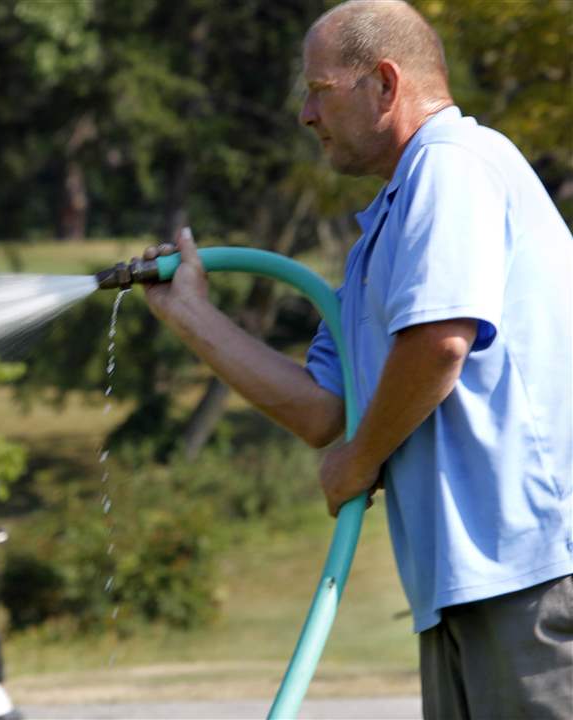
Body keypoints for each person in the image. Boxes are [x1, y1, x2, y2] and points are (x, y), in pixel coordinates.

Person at [141, 1, 572, 718]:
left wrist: (359, 458)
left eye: (318, 89)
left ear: (385, 83)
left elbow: (439, 345)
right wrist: (189, 315)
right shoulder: (384, 234)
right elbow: (321, 410)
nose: (306, 115)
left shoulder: (453, 164)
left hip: (530, 572)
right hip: (460, 588)